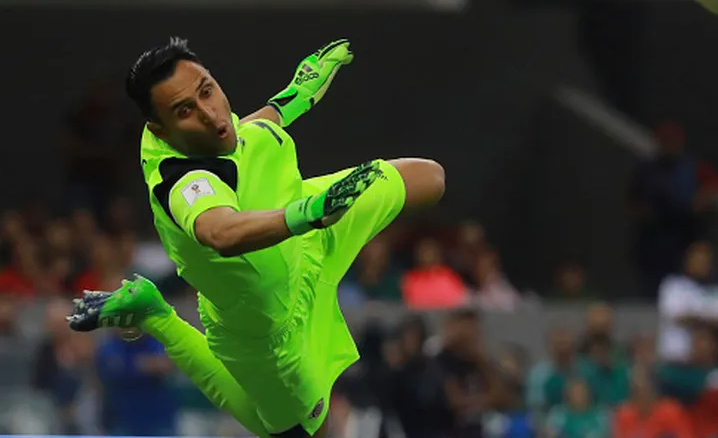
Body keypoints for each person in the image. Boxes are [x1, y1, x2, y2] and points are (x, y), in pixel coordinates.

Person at [66, 37, 446, 438]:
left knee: (429, 178)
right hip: (269, 326)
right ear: (160, 129)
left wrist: (294, 98)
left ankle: (155, 315)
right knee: (292, 431)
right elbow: (220, 231)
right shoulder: (183, 181)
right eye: (186, 111)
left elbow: (242, 128)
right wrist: (310, 214)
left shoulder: (192, 129)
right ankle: (158, 317)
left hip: (310, 237)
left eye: (207, 90)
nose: (212, 115)